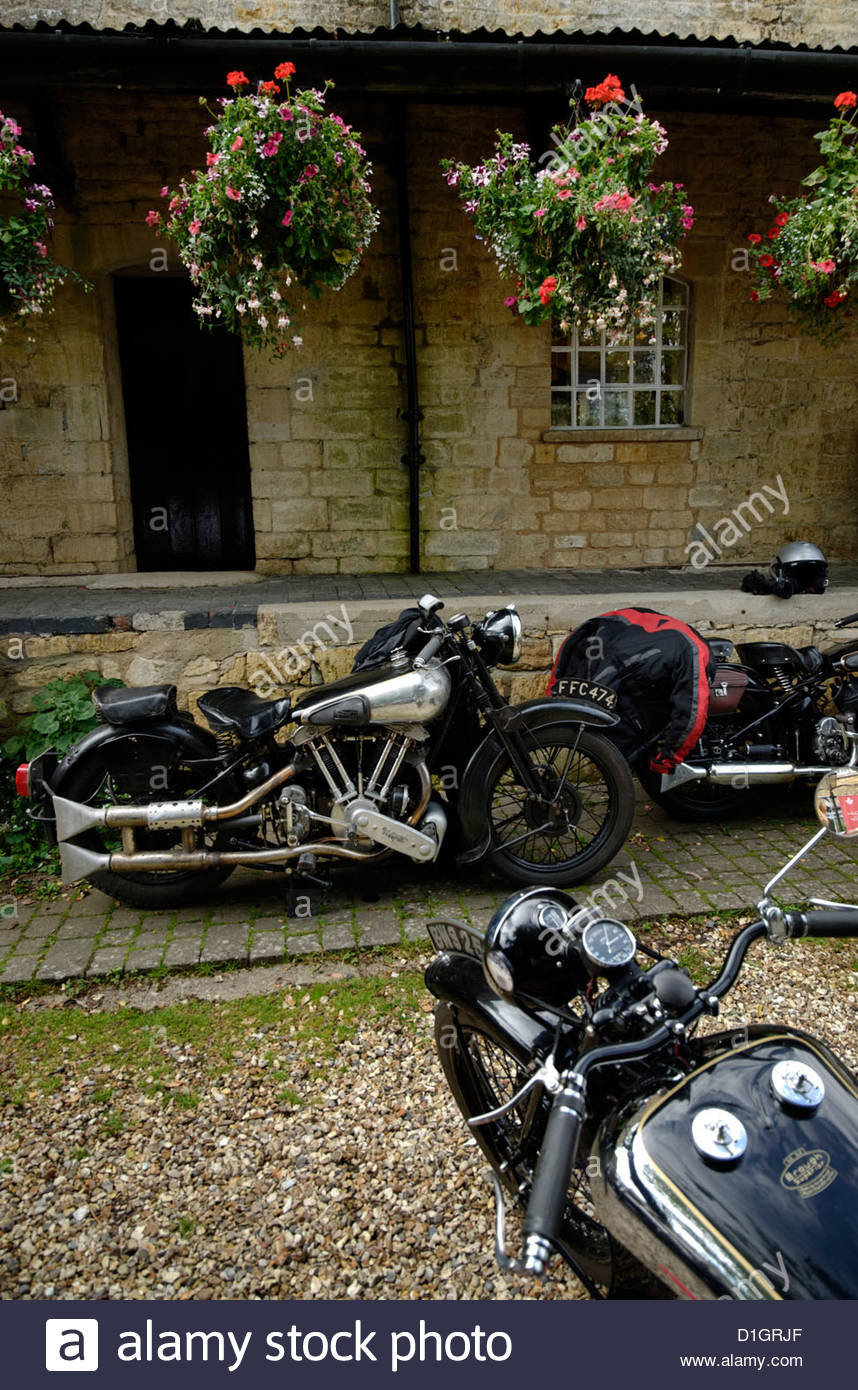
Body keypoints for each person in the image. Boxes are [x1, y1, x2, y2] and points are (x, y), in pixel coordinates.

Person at [546, 607, 715, 773]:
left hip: (610, 631)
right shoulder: (692, 651)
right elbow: (692, 713)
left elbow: (568, 650)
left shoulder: (598, 624)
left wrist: (552, 694)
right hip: (633, 657)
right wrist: (668, 761)